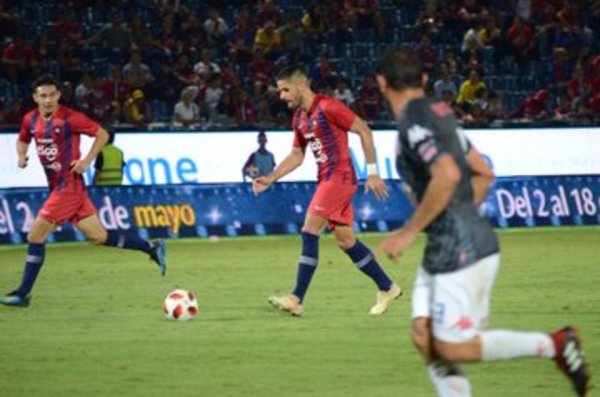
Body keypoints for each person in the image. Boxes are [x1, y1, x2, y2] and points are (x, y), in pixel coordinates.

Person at [375, 49, 589, 397]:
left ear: (381, 83)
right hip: (453, 240)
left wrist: (409, 231)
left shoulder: (413, 122)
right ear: (426, 80)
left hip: (459, 248)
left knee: (453, 348)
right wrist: (458, 214)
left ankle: (553, 344)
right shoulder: (440, 114)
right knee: (422, 336)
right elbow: (484, 173)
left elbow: (446, 175)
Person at [0, 75, 166, 308]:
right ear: (35, 97)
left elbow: (102, 134)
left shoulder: (70, 118)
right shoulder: (30, 119)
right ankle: (151, 247)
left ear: (58, 96)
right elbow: (23, 139)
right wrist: (20, 155)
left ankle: (23, 294)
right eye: (43, 96)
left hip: (68, 187)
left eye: (52, 95)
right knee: (98, 237)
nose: (48, 100)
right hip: (58, 187)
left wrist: (87, 160)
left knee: (35, 235)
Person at [252, 65, 402, 316]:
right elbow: (297, 155)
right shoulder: (299, 118)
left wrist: (373, 171)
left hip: (340, 178)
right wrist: (270, 178)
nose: (282, 96)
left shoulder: (329, 107)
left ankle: (296, 298)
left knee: (310, 230)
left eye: (285, 90)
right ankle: (387, 287)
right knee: (345, 241)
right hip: (326, 180)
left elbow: (364, 130)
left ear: (301, 86)